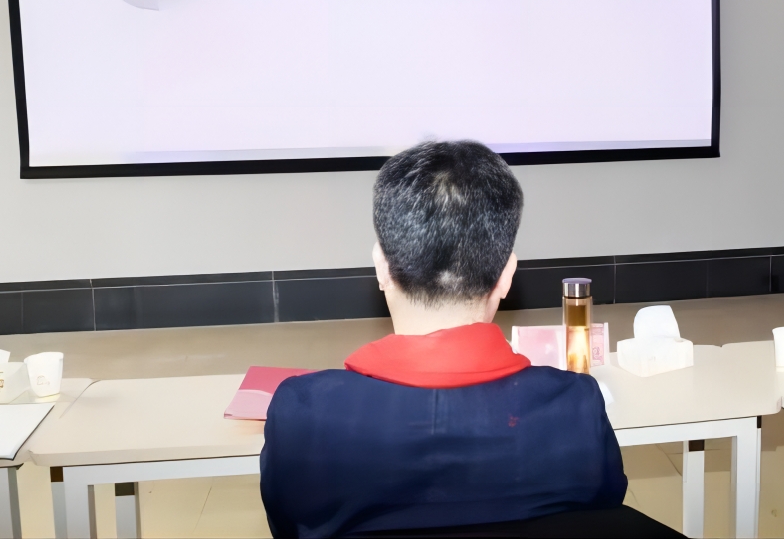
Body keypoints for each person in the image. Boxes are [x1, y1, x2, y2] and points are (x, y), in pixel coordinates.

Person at [259, 141, 626, 537]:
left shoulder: (301, 414)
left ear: (381, 267)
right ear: (506, 276)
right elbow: (603, 511)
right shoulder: (576, 409)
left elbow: (288, 526)